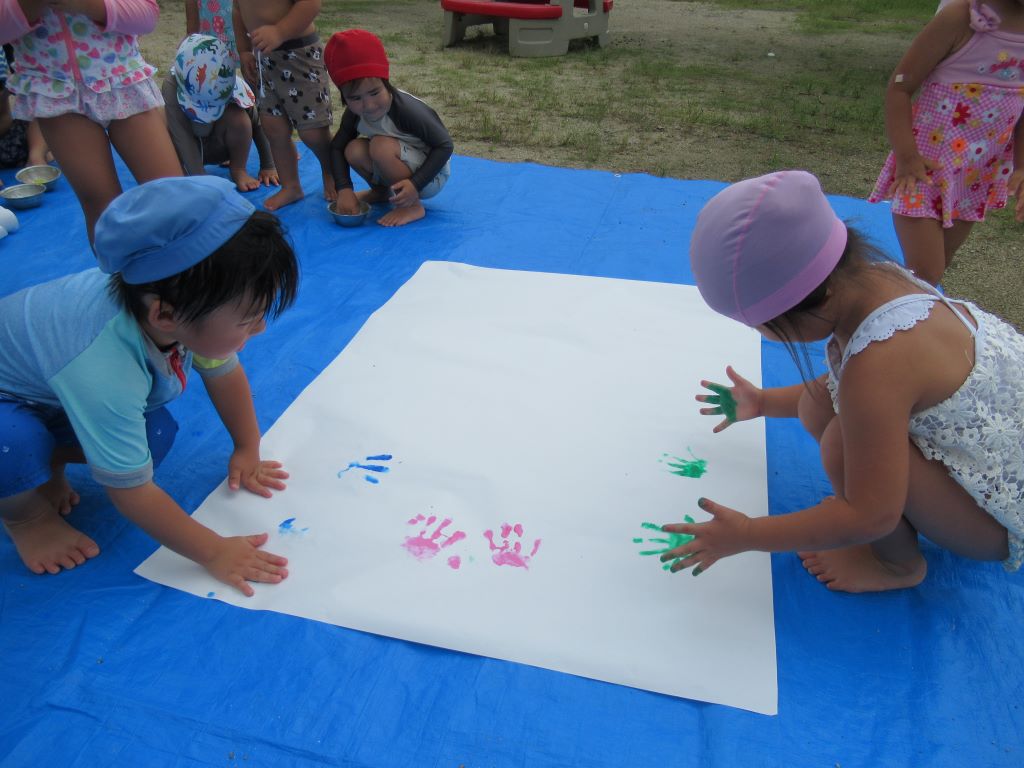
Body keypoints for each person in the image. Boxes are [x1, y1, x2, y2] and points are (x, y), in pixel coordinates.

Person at [658, 170, 1024, 593]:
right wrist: (762, 402)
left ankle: (898, 566)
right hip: (994, 460)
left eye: (764, 326)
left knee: (839, 442)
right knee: (818, 405)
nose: (762, 336)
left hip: (999, 522)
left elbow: (872, 515)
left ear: (814, 301)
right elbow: (846, 387)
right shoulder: (878, 282)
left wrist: (746, 534)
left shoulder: (879, 365)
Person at [0, 176, 299, 596]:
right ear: (165, 316)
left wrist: (247, 447)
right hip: (10, 404)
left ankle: (45, 463)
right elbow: (131, 493)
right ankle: (25, 517)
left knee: (153, 434)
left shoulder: (176, 306)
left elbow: (224, 371)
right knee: (9, 444)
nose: (262, 327)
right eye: (249, 319)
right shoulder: (103, 367)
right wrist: (214, 551)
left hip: (47, 392)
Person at [868, 0, 1024, 285]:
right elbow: (900, 87)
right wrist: (906, 157)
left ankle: (865, 301)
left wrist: (1021, 168)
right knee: (926, 275)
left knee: (932, 271)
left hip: (975, 177)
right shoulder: (962, 17)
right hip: (925, 170)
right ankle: (858, 298)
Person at [0, 0, 183, 242]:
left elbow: (147, 16)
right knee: (105, 213)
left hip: (123, 82)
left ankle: (189, 275)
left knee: (173, 197)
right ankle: (127, 277)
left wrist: (87, 5)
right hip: (56, 93)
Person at [325, 29, 453, 227]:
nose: (368, 105)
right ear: (344, 98)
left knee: (380, 146)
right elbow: (337, 147)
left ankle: (412, 205)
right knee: (353, 149)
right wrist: (344, 189)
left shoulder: (406, 110)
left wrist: (415, 184)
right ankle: (381, 192)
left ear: (386, 83)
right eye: (356, 98)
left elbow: (444, 145)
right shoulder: (354, 114)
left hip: (431, 175)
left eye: (374, 93)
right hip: (403, 164)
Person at [233, 0, 333, 210]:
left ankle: (333, 175)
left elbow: (311, 4)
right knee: (273, 128)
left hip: (299, 55)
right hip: (265, 59)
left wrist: (280, 31)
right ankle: (291, 186)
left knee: (313, 131)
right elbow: (237, 9)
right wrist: (243, 51)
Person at [164, 33, 278, 192]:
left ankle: (238, 169)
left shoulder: (226, 84)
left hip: (219, 144)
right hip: (190, 146)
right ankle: (188, 172)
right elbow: (181, 135)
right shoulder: (172, 85)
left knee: (240, 118)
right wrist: (200, 178)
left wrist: (268, 164)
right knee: (160, 125)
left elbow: (257, 123)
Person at [0, 50, 49, 180]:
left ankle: (36, 157)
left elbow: (4, 117)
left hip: (11, 137)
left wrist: (36, 152)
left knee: (44, 104)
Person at [185, 0, 240, 66]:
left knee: (247, 65)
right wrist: (191, 34)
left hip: (238, 33)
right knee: (208, 65)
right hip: (208, 33)